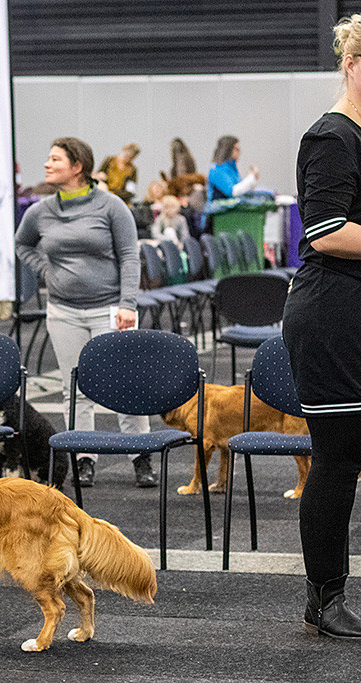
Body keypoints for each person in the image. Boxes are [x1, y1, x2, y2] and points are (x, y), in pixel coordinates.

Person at [282, 14, 361, 639]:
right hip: (332, 315)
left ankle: (329, 593)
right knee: (337, 458)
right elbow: (327, 231)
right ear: (352, 63)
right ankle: (324, 598)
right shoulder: (331, 138)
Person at [15, 137, 155, 489]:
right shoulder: (40, 210)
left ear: (77, 167)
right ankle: (84, 459)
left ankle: (140, 456)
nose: (47, 165)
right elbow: (22, 244)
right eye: (48, 159)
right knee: (74, 388)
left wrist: (128, 303)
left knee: (124, 385)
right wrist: (46, 271)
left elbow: (128, 256)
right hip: (63, 311)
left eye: (55, 160)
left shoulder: (111, 206)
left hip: (109, 308)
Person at [207, 135, 259, 201]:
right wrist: (251, 177)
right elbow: (233, 192)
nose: (239, 152)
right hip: (220, 210)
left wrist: (253, 180)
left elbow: (242, 190)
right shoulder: (216, 170)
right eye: (236, 149)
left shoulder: (232, 169)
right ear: (227, 150)